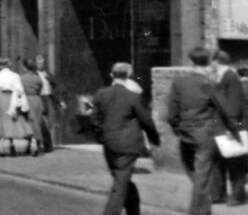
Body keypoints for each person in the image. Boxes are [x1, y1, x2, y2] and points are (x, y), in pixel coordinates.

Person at [167, 46, 239, 215]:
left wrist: (178, 128)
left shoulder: (179, 82)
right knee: (202, 176)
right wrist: (235, 131)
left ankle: (203, 209)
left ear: (191, 62)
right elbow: (225, 110)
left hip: (185, 133)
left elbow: (171, 114)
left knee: (193, 172)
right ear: (208, 64)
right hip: (205, 137)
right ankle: (199, 212)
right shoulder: (210, 84)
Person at [90, 62, 161, 215]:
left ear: (111, 75)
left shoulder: (101, 94)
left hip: (109, 145)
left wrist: (102, 137)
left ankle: (133, 210)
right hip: (128, 146)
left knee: (121, 180)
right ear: (129, 76)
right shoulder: (133, 97)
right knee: (121, 184)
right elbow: (146, 120)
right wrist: (155, 139)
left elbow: (94, 120)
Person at [211, 50, 246, 206]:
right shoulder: (219, 77)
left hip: (230, 127)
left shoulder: (231, 77)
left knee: (236, 162)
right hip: (220, 127)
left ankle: (238, 196)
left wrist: (231, 128)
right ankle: (219, 195)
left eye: (211, 61)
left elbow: (234, 106)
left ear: (216, 61)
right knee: (218, 161)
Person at [0, 57, 33, 156]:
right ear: (9, 65)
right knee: (13, 122)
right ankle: (13, 144)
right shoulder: (15, 76)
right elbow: (20, 89)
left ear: (0, 65)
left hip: (2, 98)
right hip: (13, 98)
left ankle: (1, 147)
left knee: (1, 122)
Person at [35, 53, 64, 152]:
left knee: (48, 123)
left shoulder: (48, 74)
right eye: (38, 62)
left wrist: (60, 101)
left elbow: (55, 87)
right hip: (38, 98)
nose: (40, 64)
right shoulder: (34, 74)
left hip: (47, 98)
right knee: (39, 122)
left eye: (42, 62)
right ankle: (38, 143)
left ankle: (47, 145)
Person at [19, 58, 45, 156]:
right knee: (37, 121)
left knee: (28, 122)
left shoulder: (22, 78)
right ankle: (35, 142)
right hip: (37, 100)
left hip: (26, 100)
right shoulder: (38, 78)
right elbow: (41, 88)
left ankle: (30, 143)